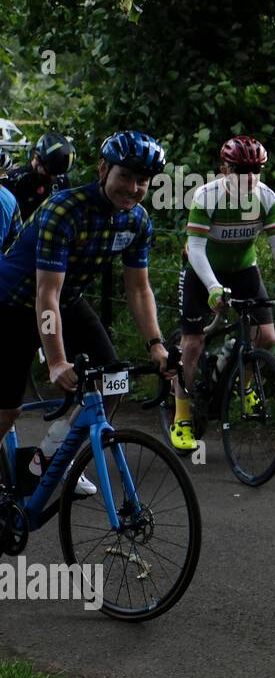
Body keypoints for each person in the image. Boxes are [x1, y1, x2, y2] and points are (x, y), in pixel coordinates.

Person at [0, 131, 174, 491]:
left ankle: (52, 457)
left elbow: (139, 289)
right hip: (13, 303)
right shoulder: (64, 210)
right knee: (7, 409)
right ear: (103, 168)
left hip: (66, 297)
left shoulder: (136, 221)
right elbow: (45, 293)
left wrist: (156, 345)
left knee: (113, 381)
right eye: (125, 176)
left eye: (142, 180)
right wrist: (57, 361)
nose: (134, 187)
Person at [169, 135, 275, 451]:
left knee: (267, 337)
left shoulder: (265, 198)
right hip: (201, 270)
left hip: (245, 269)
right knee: (192, 343)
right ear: (224, 169)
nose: (248, 178)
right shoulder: (207, 196)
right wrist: (213, 288)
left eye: (255, 170)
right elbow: (195, 247)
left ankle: (240, 377)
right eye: (240, 170)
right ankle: (182, 417)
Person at [2, 131, 75, 221]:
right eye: (50, 173)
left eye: (58, 174)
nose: (54, 178)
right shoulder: (14, 179)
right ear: (37, 159)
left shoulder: (62, 180)